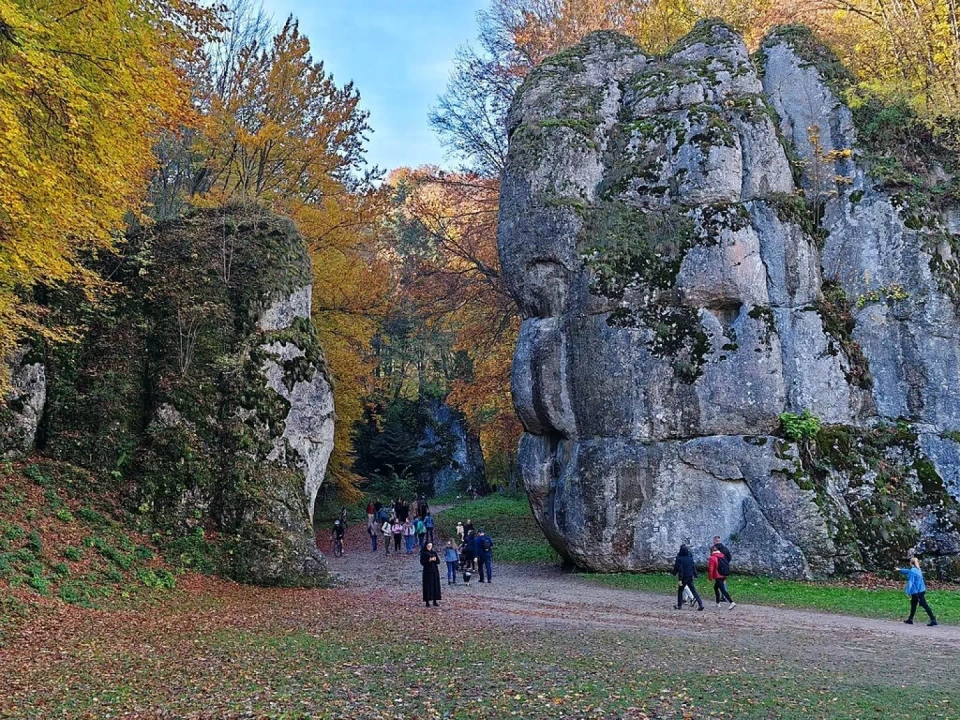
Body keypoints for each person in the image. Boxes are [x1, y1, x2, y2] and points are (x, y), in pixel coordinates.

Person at [899, 556, 938, 626]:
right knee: (913, 604)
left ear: (911, 563)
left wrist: (907, 592)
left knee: (924, 605)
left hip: (917, 592)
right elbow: (908, 571)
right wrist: (900, 570)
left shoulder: (913, 571)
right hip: (921, 590)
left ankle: (933, 619)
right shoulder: (918, 569)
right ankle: (910, 619)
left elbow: (911, 582)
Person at [673, 544, 704, 611]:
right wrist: (695, 574)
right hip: (690, 575)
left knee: (680, 591)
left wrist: (678, 577)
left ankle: (679, 605)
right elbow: (693, 566)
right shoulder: (689, 557)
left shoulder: (679, 558)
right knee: (693, 590)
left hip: (684, 577)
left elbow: (679, 569)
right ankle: (700, 603)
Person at [707, 544, 736, 608]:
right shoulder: (722, 555)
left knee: (723, 590)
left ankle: (731, 602)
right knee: (715, 588)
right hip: (723, 574)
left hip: (718, 576)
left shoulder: (712, 558)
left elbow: (711, 569)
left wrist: (710, 578)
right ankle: (717, 603)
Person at [420, 541, 442, 607]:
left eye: (431, 546)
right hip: (427, 571)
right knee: (427, 586)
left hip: (435, 571)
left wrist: (435, 559)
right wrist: (428, 560)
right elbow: (422, 562)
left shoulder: (434, 552)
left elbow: (438, 561)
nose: (430, 547)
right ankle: (427, 601)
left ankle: (435, 600)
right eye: (428, 546)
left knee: (435, 586)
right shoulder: (423, 553)